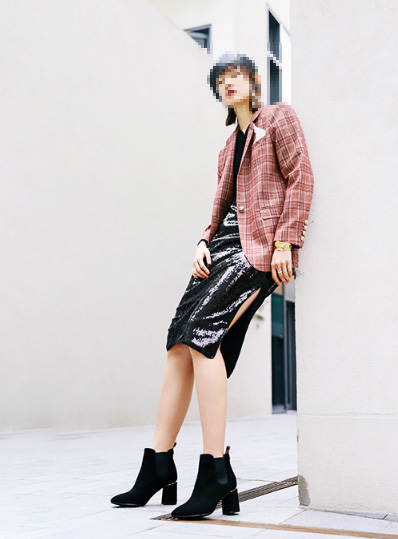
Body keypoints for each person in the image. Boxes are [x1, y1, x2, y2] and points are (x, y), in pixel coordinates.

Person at [110, 52, 314, 520]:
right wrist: (202, 241)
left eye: (236, 75)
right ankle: (158, 463)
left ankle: (215, 469)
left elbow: (301, 176)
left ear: (254, 82)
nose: (228, 84)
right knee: (178, 343)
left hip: (256, 249)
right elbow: (219, 208)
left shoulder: (279, 118)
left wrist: (286, 242)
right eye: (221, 80)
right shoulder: (226, 148)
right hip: (218, 250)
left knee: (203, 338)